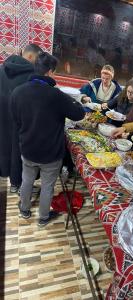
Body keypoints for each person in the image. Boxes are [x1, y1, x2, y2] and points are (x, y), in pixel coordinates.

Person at [10, 52, 85, 226]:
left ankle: (25, 210)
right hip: (51, 154)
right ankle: (43, 218)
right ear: (50, 72)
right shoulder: (56, 95)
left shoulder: (18, 92)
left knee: (27, 179)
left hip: (28, 149)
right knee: (47, 186)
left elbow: (16, 121)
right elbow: (79, 114)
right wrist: (76, 101)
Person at [0, 44, 43, 193]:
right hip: (20, 120)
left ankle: (4, 174)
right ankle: (15, 184)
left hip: (2, 116)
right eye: (37, 59)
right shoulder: (32, 76)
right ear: (30, 56)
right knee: (17, 150)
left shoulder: (1, 68)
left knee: (3, 144)